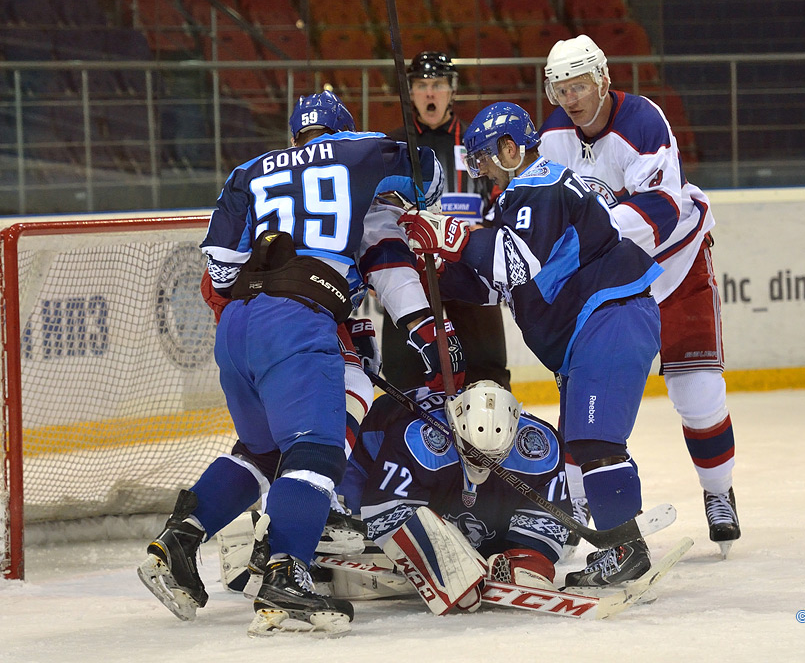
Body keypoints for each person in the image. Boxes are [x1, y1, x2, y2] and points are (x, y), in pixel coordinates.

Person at [137, 90, 448, 637]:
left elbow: (220, 268)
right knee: (315, 449)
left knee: (260, 450)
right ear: (341, 129)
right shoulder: (358, 152)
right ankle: (288, 569)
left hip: (237, 326)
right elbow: (429, 176)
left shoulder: (249, 170)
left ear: (293, 136)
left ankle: (178, 541)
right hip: (299, 320)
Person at [398, 102, 664, 589]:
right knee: (579, 445)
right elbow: (497, 284)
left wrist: (451, 236)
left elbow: (514, 264)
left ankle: (626, 548)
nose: (480, 170)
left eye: (483, 158)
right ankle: (611, 537)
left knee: (596, 442)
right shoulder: (525, 197)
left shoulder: (539, 186)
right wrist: (434, 270)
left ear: (509, 148)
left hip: (609, 317)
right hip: (597, 324)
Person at [538, 35, 740, 556]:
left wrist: (586, 240)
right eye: (561, 89)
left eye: (579, 86)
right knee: (583, 394)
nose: (570, 98)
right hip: (610, 282)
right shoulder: (553, 135)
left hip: (674, 267)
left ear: (603, 79)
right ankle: (578, 504)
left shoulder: (643, 122)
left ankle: (718, 492)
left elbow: (663, 207)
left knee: (698, 391)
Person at [339, 381, 574, 614]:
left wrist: (531, 558)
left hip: (451, 482)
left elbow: (550, 513)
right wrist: (440, 562)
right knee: (353, 531)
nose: (482, 463)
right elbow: (386, 509)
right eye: (474, 454)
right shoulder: (415, 437)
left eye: (494, 456)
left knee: (516, 548)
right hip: (364, 465)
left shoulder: (540, 444)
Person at [380, 51, 510, 393]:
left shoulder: (477, 142)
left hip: (471, 275)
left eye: (437, 84)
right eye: (421, 85)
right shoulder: (391, 147)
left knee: (488, 376)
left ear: (452, 90)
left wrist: (487, 232)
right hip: (410, 279)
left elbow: (503, 200)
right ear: (410, 92)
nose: (430, 93)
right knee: (403, 380)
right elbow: (377, 213)